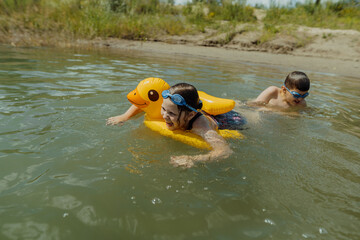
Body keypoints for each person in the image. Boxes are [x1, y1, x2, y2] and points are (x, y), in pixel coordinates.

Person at [107, 83, 233, 168]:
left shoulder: (201, 127)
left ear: (190, 116)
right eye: (163, 109)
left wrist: (194, 159)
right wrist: (124, 117)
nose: (164, 115)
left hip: (227, 120)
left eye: (171, 113)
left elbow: (225, 151)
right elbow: (146, 102)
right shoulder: (169, 106)